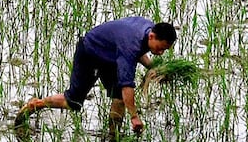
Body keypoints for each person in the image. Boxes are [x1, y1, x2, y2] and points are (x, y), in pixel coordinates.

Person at [15, 16, 177, 133]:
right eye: (160, 48)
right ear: (152, 36)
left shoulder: (147, 28)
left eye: (165, 50)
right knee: (73, 103)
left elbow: (136, 51)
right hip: (90, 52)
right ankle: (35, 105)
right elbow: (127, 85)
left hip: (110, 55)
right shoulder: (131, 45)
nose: (161, 53)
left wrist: (154, 68)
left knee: (119, 98)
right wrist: (134, 117)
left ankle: (114, 135)